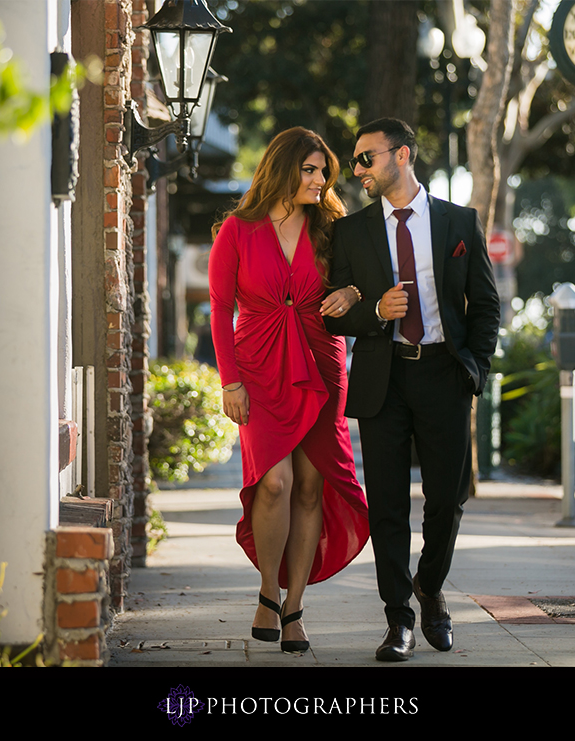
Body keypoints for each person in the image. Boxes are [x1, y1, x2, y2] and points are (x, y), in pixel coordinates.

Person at [323, 118, 500, 662]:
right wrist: (374, 312)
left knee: (448, 498)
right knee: (388, 506)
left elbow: (486, 305)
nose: (357, 170)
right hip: (384, 379)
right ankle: (398, 617)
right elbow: (333, 314)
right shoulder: (351, 233)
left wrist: (476, 367)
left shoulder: (458, 222)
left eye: (366, 158)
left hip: (444, 375)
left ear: (401, 156)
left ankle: (429, 584)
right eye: (355, 160)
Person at [209, 127, 370, 654]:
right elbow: (218, 310)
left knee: (308, 484)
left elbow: (366, 277)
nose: (320, 179)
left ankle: (295, 608)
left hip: (321, 363)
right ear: (281, 169)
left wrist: (349, 290)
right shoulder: (236, 230)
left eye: (324, 171)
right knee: (272, 482)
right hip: (257, 366)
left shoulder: (333, 226)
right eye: (309, 169)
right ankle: (267, 593)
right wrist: (229, 380)